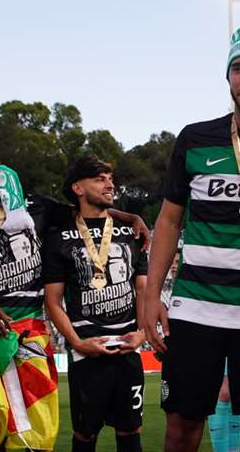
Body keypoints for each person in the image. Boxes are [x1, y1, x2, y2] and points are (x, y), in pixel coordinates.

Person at [142, 26, 240, 452]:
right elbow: (168, 222)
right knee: (181, 429)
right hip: (196, 308)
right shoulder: (195, 138)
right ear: (227, 77)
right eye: (237, 69)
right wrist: (152, 296)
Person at [0, 148, 149, 452]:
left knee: (38, 430)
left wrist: (130, 217)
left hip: (30, 333)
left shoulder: (36, 207)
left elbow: (87, 213)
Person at [43, 156, 148, 452]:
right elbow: (52, 301)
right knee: (85, 434)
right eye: (100, 179)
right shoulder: (58, 236)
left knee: (131, 430)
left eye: (110, 179)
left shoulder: (131, 231)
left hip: (128, 347)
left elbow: (142, 288)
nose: (110, 184)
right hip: (87, 351)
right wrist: (77, 343)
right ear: (78, 188)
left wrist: (142, 333)